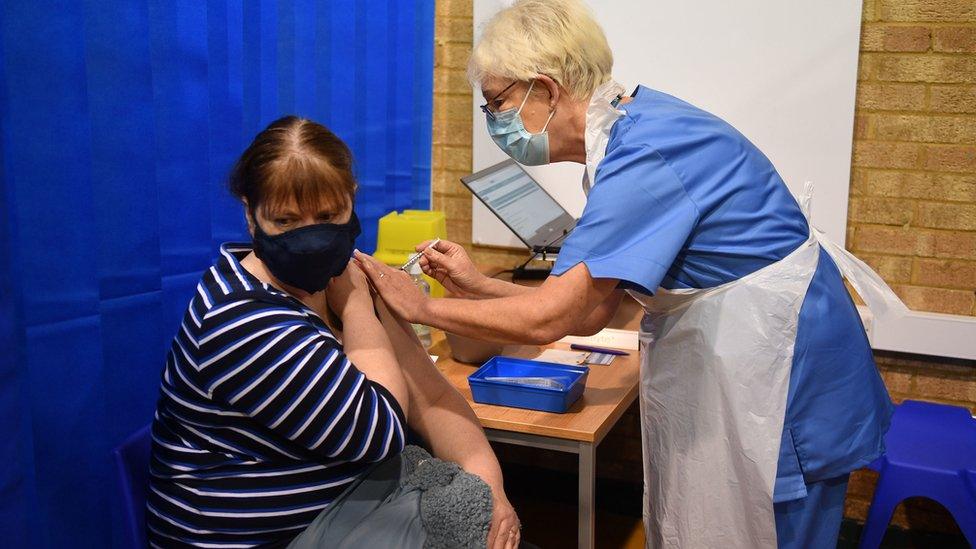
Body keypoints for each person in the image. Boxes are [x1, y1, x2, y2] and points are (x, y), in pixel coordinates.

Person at [352, 1, 906, 547]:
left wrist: (420, 306)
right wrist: (476, 285)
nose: (494, 121)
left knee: (771, 527)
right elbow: (595, 307)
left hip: (780, 367)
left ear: (545, 90)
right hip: (754, 347)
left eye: (497, 103)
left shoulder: (642, 155)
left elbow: (558, 315)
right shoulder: (632, 128)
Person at [147, 116, 521, 548]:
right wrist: (359, 308)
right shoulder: (238, 321)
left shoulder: (343, 275)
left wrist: (491, 493)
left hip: (346, 509)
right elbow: (378, 432)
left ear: (352, 200)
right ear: (251, 216)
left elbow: (433, 399)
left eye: (328, 215)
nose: (312, 238)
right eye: (286, 221)